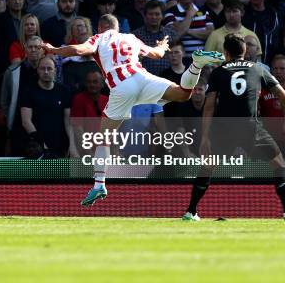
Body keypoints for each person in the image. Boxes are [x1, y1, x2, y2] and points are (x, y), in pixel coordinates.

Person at [43, 14, 225, 206]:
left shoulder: (99, 39)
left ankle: (98, 184)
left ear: (100, 28)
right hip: (142, 78)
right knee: (183, 94)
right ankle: (196, 64)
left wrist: (54, 49)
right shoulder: (130, 38)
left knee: (103, 138)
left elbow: (79, 49)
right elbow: (157, 55)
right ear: (117, 26)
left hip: (121, 85)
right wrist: (162, 46)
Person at [182, 34, 285, 222]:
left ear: (226, 53)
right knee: (279, 165)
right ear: (245, 51)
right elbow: (284, 97)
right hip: (251, 127)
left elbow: (209, 105)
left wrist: (206, 137)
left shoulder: (218, 72)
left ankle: (191, 212)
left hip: (224, 128)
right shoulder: (258, 69)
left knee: (207, 167)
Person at [20, 56, 74, 158]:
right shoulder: (28, 91)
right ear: (37, 70)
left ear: (55, 71)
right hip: (37, 148)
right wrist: (42, 145)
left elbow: (68, 121)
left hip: (59, 144)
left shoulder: (64, 91)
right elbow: (26, 121)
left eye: (49, 68)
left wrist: (72, 144)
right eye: (42, 68)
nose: (46, 72)